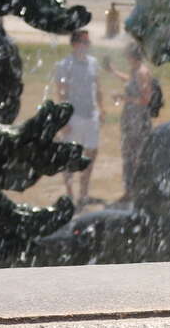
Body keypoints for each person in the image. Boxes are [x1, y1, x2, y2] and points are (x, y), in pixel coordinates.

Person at [49, 29, 104, 208]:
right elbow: (61, 93)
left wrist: (101, 108)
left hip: (91, 115)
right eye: (84, 42)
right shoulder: (64, 65)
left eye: (88, 42)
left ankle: (83, 194)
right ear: (74, 44)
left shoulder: (93, 63)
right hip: (74, 117)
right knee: (70, 156)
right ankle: (70, 194)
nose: (87, 46)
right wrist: (63, 120)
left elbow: (97, 87)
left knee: (91, 153)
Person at [107, 40, 163, 205]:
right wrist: (114, 72)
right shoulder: (136, 70)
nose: (125, 58)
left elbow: (145, 99)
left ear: (131, 56)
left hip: (137, 121)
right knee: (130, 155)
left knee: (135, 156)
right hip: (131, 119)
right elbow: (131, 81)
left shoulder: (141, 72)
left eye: (126, 55)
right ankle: (131, 191)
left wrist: (123, 98)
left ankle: (135, 192)